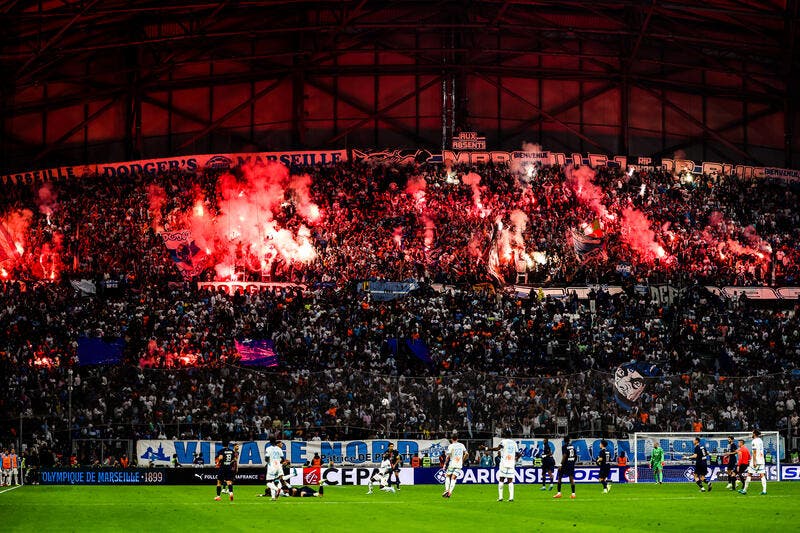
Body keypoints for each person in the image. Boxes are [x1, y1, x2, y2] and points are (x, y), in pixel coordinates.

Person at [483, 431, 520, 502]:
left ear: (505, 435)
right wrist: (516, 459)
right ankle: (511, 497)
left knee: (501, 479)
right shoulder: (514, 443)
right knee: (510, 480)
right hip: (511, 463)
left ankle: (500, 497)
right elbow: (518, 454)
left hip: (504, 463)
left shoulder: (503, 441)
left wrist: (486, 448)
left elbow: (497, 449)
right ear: (511, 435)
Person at [740, 429, 767, 495]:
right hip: (761, 459)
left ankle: (744, 490)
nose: (752, 434)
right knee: (762, 475)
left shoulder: (754, 441)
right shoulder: (760, 440)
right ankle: (764, 491)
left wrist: (754, 461)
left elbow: (754, 452)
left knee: (749, 474)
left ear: (754, 434)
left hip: (756, 459)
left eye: (752, 433)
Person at [443, 432, 467, 498]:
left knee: (447, 476)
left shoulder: (451, 446)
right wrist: (462, 460)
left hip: (452, 463)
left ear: (451, 439)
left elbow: (447, 456)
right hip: (459, 464)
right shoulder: (462, 445)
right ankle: (450, 492)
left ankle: (446, 490)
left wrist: (445, 464)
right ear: (457, 439)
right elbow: (467, 454)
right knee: (453, 478)